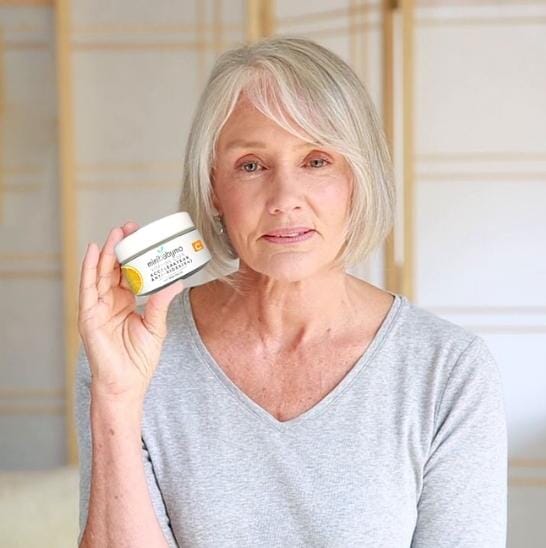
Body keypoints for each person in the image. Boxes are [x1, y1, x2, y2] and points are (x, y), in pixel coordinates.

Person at [75, 36, 507, 547]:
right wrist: (117, 398)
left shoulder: (447, 370)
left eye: (317, 160)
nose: (285, 199)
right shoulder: (137, 356)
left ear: (358, 179)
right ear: (214, 187)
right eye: (251, 165)